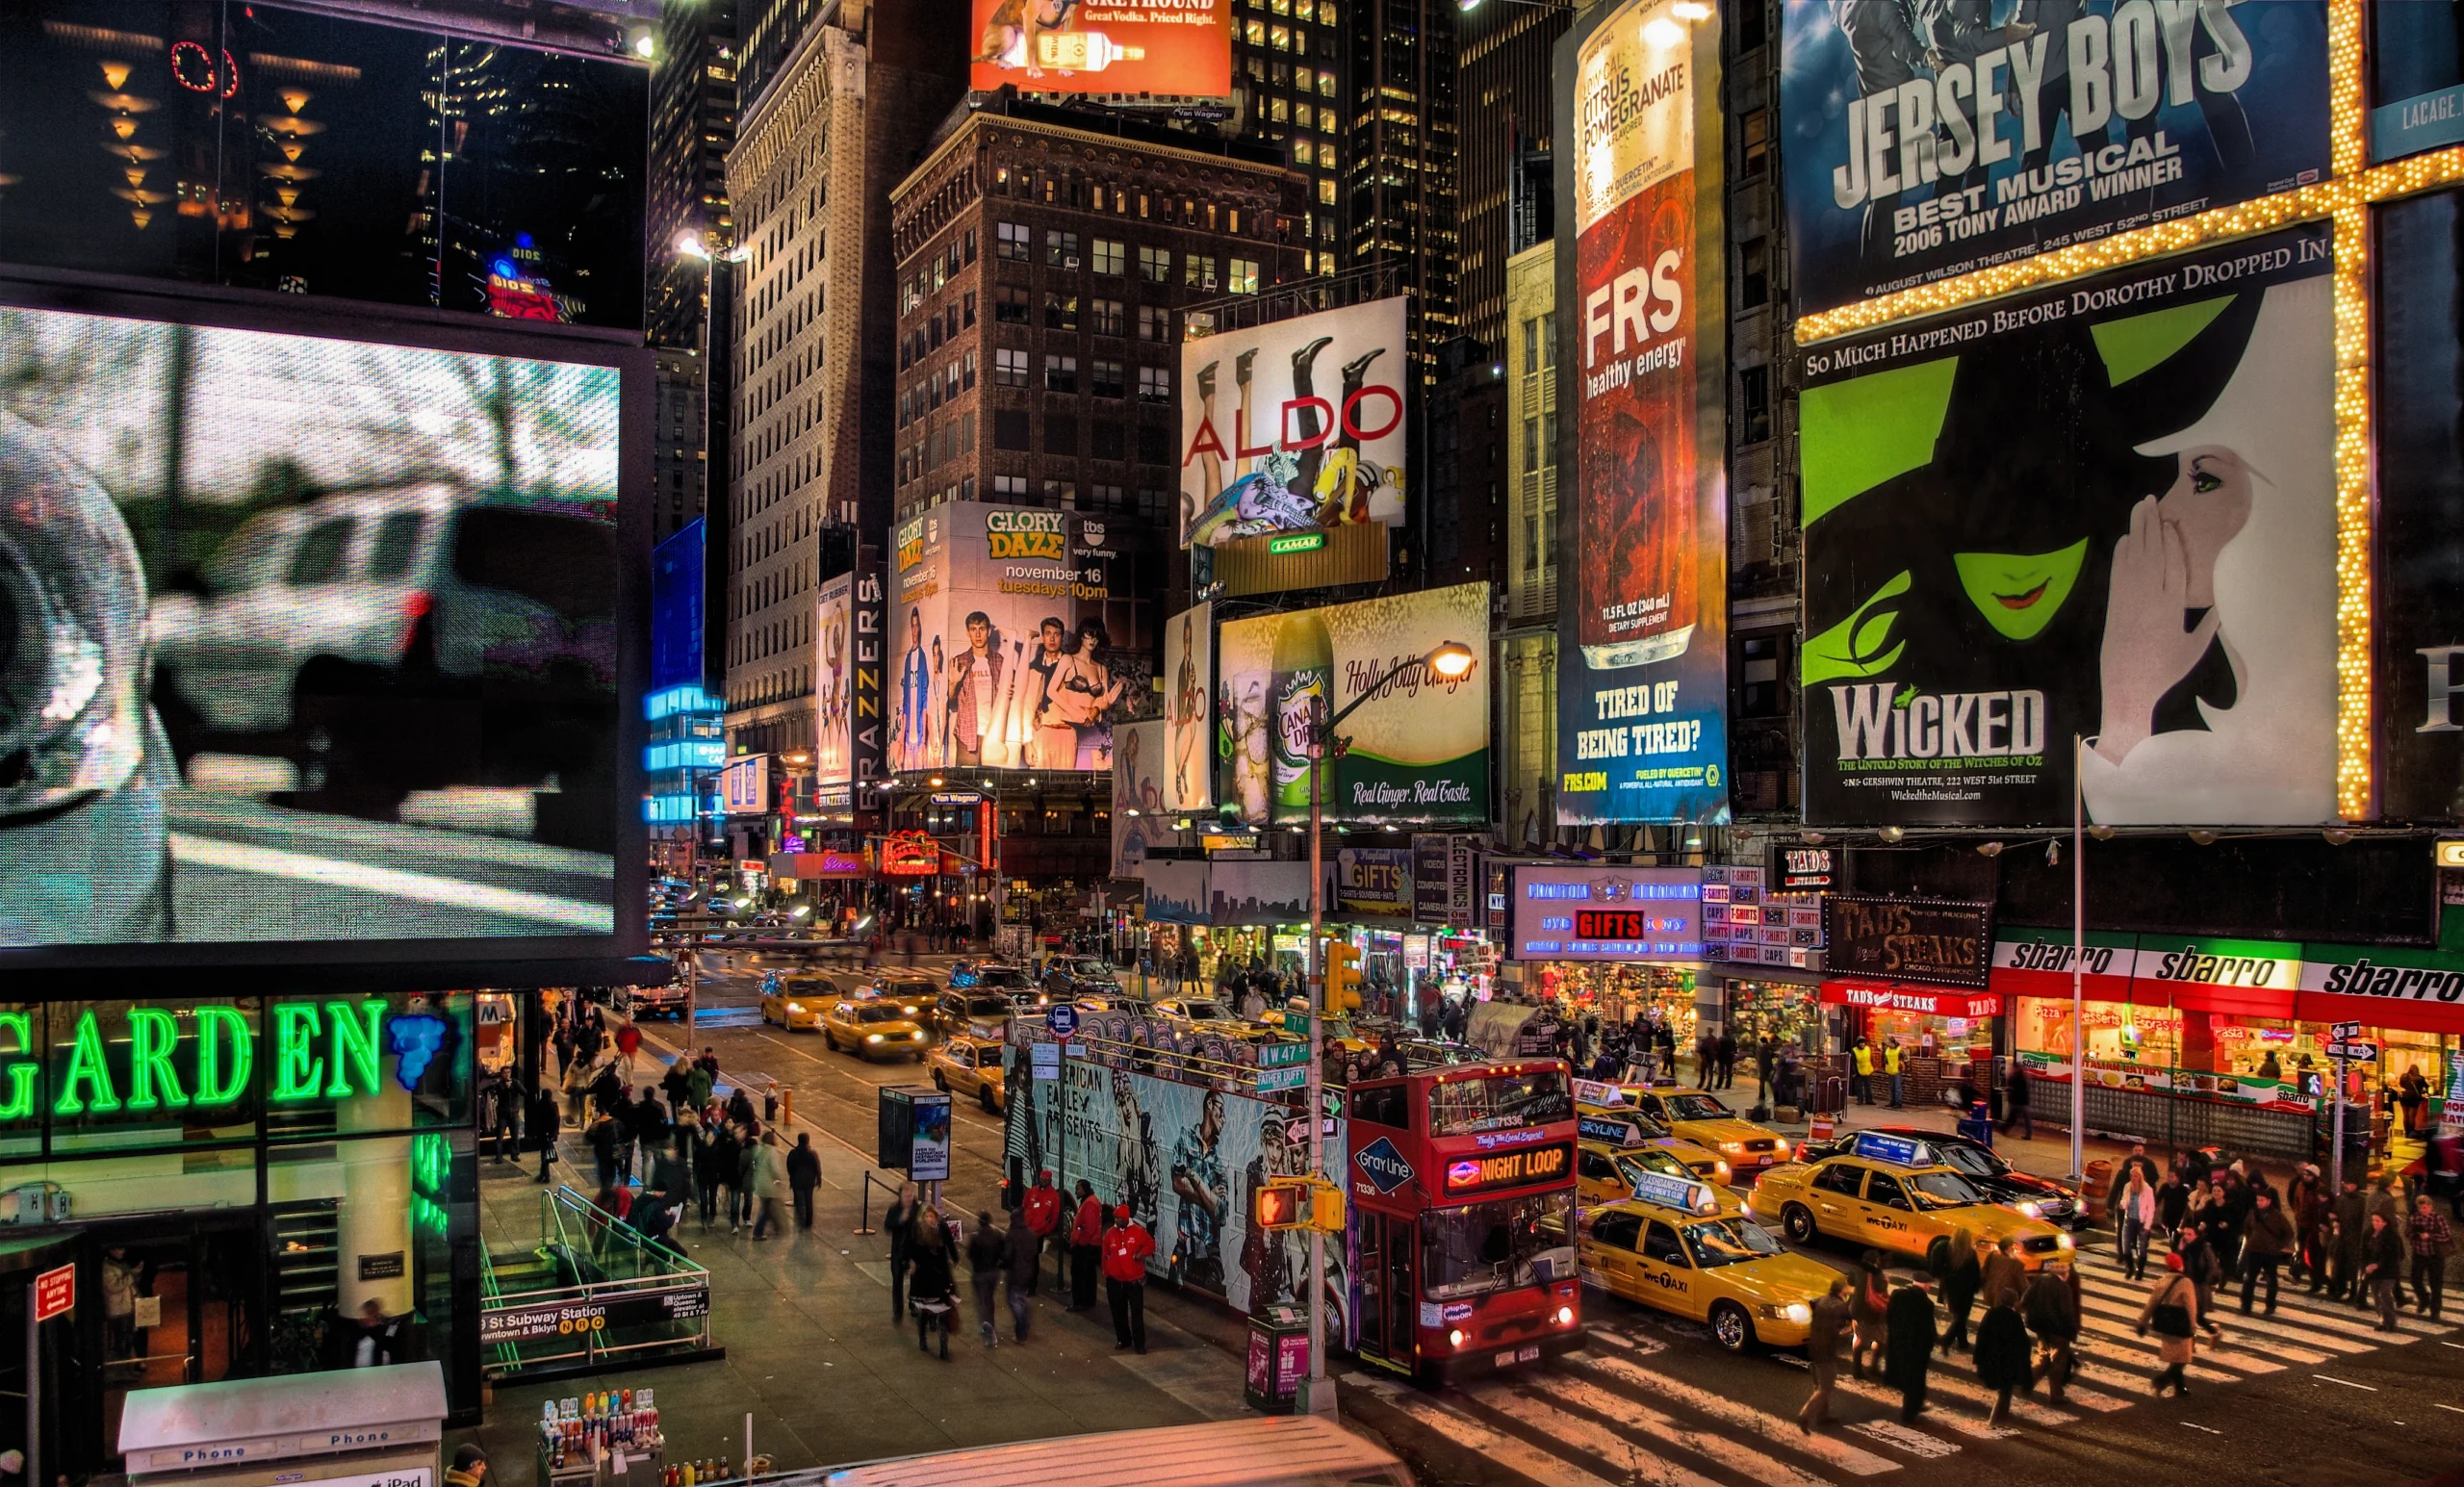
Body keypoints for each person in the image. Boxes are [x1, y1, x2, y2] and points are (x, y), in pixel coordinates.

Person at [2136, 1250, 2213, 1397]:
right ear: (2181, 1266)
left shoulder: (2162, 1281)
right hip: (2180, 1323)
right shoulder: (2185, 1282)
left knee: (2176, 1356)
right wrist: (2192, 1325)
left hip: (2165, 1324)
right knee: (2182, 1359)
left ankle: (2180, 1387)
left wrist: (2142, 1322)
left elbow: (2151, 1304)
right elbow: (2191, 1306)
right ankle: (2162, 1380)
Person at [1972, 1276, 2033, 1426]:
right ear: (2014, 1302)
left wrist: (1978, 1359)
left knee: (2003, 1390)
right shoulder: (2014, 1318)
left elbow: (1981, 1337)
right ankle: (1996, 1419)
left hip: (1991, 1359)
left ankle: (2001, 1417)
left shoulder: (1991, 1314)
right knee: (2005, 1392)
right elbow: (2023, 1343)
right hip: (2007, 1362)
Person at [2022, 1261, 2082, 1406]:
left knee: (2043, 1357)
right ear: (2064, 1274)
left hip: (2040, 1327)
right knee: (2058, 1364)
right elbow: (2067, 1313)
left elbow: (2024, 1300)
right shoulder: (2064, 1288)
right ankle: (2056, 1396)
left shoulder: (2039, 1281)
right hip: (2058, 1330)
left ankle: (2029, 1383)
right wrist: (2073, 1331)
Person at [1798, 1278, 1851, 1434]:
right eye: (1847, 1287)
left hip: (1814, 1347)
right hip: (1826, 1350)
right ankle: (1805, 1415)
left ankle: (1822, 1415)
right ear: (1842, 1290)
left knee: (1821, 1383)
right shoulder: (1840, 1306)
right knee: (1826, 1385)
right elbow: (1844, 1325)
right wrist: (1850, 1330)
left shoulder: (1823, 1300)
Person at [1103, 1204, 1156, 1353]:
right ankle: (1124, 1339)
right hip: (1115, 1280)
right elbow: (1105, 1254)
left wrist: (1141, 1254)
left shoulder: (1138, 1232)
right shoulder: (1110, 1233)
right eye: (1115, 1218)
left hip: (1133, 1281)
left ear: (1126, 1219)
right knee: (1118, 1312)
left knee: (1136, 1313)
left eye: (1119, 1218)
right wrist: (1106, 1273)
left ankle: (1139, 1344)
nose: (1116, 1220)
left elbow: (1151, 1244)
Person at [1883, 1278, 1937, 1423]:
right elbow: (1928, 1331)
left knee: (1906, 1378)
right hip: (1916, 1350)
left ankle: (1916, 1404)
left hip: (1897, 1345)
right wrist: (1929, 1346)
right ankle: (1908, 1415)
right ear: (1925, 1285)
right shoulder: (1926, 1305)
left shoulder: (1897, 1295)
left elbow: (1888, 1316)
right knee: (1915, 1382)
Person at [909, 1209, 959, 1359]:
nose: (930, 1219)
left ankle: (944, 1348)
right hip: (924, 1279)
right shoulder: (918, 1231)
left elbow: (948, 1245)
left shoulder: (941, 1229)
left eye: (932, 1216)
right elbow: (912, 1252)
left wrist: (955, 1259)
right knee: (925, 1311)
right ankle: (923, 1338)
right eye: (927, 1216)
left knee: (943, 1314)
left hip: (939, 1278)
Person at [2240, 1188, 2295, 1315]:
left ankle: (2270, 1305)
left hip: (2270, 1252)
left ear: (2269, 1201)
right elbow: (2247, 1227)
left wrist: (2278, 1246)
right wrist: (2250, 1239)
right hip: (2254, 1250)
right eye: (2258, 1200)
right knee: (2249, 1279)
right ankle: (2246, 1306)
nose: (2259, 1202)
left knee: (2271, 1279)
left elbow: (2289, 1233)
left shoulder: (2277, 1216)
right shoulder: (2252, 1213)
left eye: (2262, 1200)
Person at [1931, 1227, 1981, 1354]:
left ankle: (1962, 1342)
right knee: (1961, 1318)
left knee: (1959, 1317)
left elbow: (1936, 1268)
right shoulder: (1970, 1254)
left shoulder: (1947, 1249)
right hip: (1965, 1292)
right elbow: (1975, 1274)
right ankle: (1946, 1341)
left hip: (1949, 1289)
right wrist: (1976, 1288)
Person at [2409, 1192, 2452, 1320]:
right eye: (2421, 1208)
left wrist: (2430, 1236)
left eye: (2426, 1207)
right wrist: (2416, 1235)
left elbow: (2446, 1236)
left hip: (2435, 1255)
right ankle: (2424, 1298)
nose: (2424, 1210)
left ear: (2431, 1206)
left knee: (2436, 1284)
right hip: (2419, 1253)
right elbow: (2408, 1232)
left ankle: (2435, 1310)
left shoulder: (2438, 1218)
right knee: (2415, 1280)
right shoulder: (2414, 1218)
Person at [967, 1210, 1007, 1347]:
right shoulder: (997, 1235)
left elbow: (970, 1254)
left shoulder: (975, 1237)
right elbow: (1003, 1252)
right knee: (989, 1299)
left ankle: (988, 1327)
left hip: (980, 1273)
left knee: (982, 1302)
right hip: (993, 1272)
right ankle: (991, 1324)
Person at [2363, 1210, 2406, 1331]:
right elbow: (2364, 1251)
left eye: (2377, 1221)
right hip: (2373, 1270)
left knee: (2385, 1294)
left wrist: (2378, 1265)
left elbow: (2395, 1255)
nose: (2374, 1223)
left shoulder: (2392, 1236)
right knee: (2376, 1296)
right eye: (2373, 1220)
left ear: (2385, 1223)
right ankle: (2382, 1321)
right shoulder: (2369, 1233)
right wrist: (2366, 1265)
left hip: (2388, 1270)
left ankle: (2391, 1323)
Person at [886, 1181, 923, 1323]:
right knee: (897, 1281)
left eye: (910, 1195)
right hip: (898, 1251)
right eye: (906, 1195)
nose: (908, 1198)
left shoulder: (918, 1209)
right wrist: (900, 1220)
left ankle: (913, 1304)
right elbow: (888, 1226)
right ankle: (898, 1311)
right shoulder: (894, 1209)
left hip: (913, 1251)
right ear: (900, 1196)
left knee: (915, 1281)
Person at [1850, 1250, 1890, 1380]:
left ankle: (1856, 1369)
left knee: (1859, 1338)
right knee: (1881, 1339)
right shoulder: (1877, 1274)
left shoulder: (1856, 1270)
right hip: (1872, 1314)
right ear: (1876, 1261)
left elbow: (1850, 1281)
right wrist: (1886, 1281)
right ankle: (1874, 1367)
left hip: (1856, 1311)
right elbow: (1880, 1289)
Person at [1003, 1208, 1041, 1342]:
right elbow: (1034, 1252)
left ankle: (1022, 1329)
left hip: (1015, 1273)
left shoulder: (1011, 1235)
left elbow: (1007, 1255)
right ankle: (1025, 1318)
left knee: (1014, 1302)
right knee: (1021, 1298)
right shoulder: (1030, 1234)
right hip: (1028, 1272)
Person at [1020, 1169, 1062, 1294]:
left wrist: (1046, 1229)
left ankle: (1031, 1286)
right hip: (1027, 1231)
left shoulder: (1053, 1196)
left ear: (1050, 1180)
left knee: (1033, 1260)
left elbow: (1054, 1216)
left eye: (1045, 1179)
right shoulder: (1032, 1191)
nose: (1043, 1181)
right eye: (1042, 1178)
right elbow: (1025, 1205)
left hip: (1038, 1233)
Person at [1068, 1179, 1105, 1311]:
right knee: (1089, 1274)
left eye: (1078, 1189)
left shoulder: (1089, 1203)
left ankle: (1080, 1302)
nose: (1076, 1191)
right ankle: (1089, 1301)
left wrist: (1079, 1243)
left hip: (1086, 1246)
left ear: (1083, 1190)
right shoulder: (1091, 1201)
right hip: (1091, 1244)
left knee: (1079, 1274)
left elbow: (1088, 1228)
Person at [529, 1081, 562, 1185]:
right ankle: (544, 1174)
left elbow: (535, 1119)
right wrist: (555, 1132)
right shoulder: (553, 1105)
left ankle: (545, 1175)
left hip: (542, 1133)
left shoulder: (539, 1105)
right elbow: (557, 1118)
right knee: (546, 1153)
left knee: (544, 1154)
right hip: (550, 1134)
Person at [787, 1134, 820, 1231]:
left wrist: (792, 1176)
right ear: (808, 1141)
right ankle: (809, 1222)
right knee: (809, 1201)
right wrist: (818, 1178)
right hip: (809, 1181)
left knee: (800, 1202)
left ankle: (801, 1221)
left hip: (797, 1180)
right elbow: (817, 1167)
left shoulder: (793, 1153)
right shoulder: (812, 1154)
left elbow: (789, 1166)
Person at [2001, 1059, 2033, 1138]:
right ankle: (2028, 1135)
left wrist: (2008, 1089)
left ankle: (2004, 1129)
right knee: (2026, 1119)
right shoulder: (2024, 1076)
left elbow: (2011, 1087)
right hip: (2024, 1101)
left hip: (2016, 1101)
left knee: (2012, 1117)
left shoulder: (2015, 1077)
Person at [1884, 1038, 1905, 1110]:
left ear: (1892, 1043)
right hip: (1890, 1070)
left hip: (1897, 1071)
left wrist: (1901, 1065)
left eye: (1888, 1043)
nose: (1887, 1044)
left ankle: (1898, 1102)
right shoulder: (1887, 1050)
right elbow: (1886, 1059)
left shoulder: (1899, 1050)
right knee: (1892, 1087)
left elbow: (1905, 1059)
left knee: (1897, 1088)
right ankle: (1892, 1101)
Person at [1851, 1038, 1873, 1105]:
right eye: (1860, 1043)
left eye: (1863, 1043)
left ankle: (1869, 1100)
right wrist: (1854, 1072)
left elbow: (1871, 1058)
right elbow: (1853, 1062)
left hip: (1867, 1070)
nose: (1862, 1044)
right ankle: (1860, 1100)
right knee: (1859, 1087)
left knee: (1868, 1086)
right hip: (1859, 1071)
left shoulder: (1868, 1049)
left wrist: (1873, 1067)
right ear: (1858, 1044)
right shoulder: (1854, 1050)